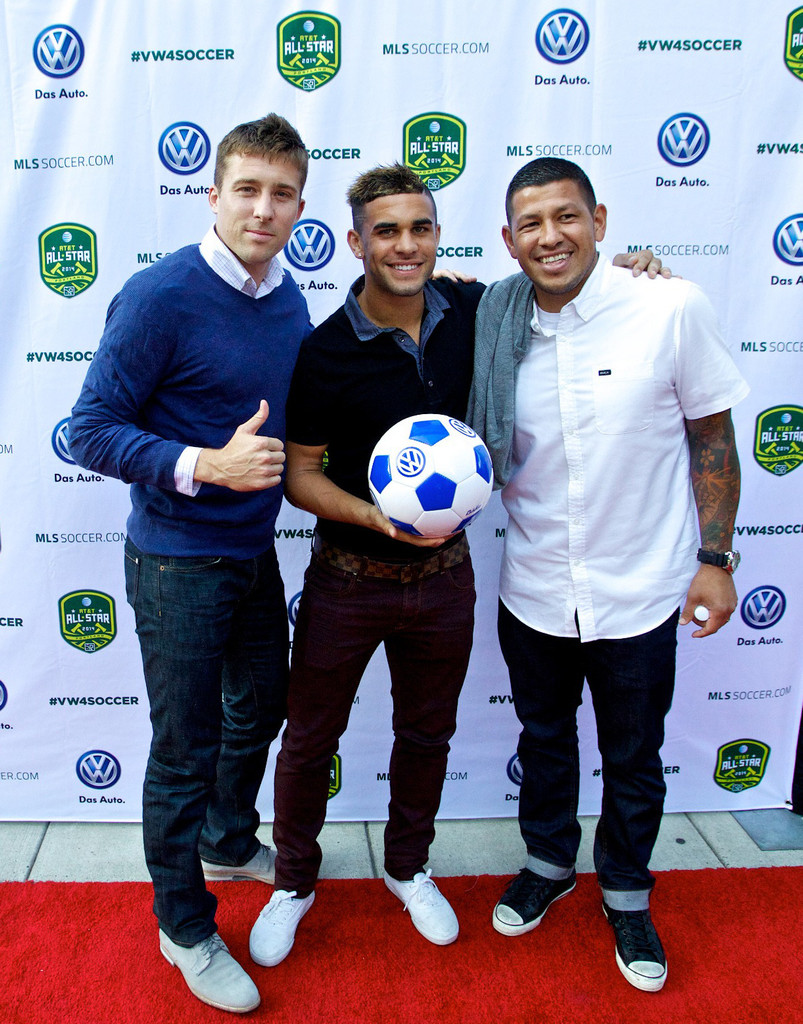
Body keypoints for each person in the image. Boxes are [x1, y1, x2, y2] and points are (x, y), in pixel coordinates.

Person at [247, 163, 665, 969]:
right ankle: (293, 882)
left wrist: (636, 271)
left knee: (427, 733)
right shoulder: (325, 351)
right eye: (386, 230)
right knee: (308, 739)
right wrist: (374, 515)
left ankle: (407, 868)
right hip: (347, 580)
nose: (405, 245)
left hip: (445, 583)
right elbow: (300, 475)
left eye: (420, 228)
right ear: (355, 241)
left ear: (438, 235)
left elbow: (569, 288)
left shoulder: (478, 310)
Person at [468, 157, 749, 993]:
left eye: (565, 216)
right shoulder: (493, 316)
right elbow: (410, 290)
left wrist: (714, 559)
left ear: (598, 217)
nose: (549, 237)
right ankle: (549, 863)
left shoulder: (667, 306)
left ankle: (625, 891)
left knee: (633, 754)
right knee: (543, 741)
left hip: (640, 590)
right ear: (508, 240)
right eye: (530, 224)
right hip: (535, 587)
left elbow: (713, 440)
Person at [68, 114, 310, 1014]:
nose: (263, 207)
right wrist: (202, 464)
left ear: (298, 208)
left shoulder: (287, 298)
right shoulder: (159, 295)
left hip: (253, 556)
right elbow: (83, 428)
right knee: (184, 748)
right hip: (177, 561)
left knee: (264, 706)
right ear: (213, 196)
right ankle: (185, 927)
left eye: (281, 194)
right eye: (246, 189)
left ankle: (225, 835)